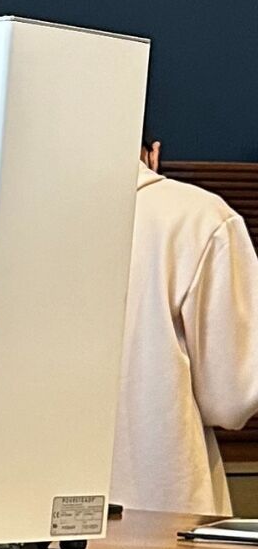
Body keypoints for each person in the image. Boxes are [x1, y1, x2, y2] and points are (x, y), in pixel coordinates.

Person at [111, 138, 258, 515]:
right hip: (162, 506)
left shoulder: (5, 219)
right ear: (153, 153)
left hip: (17, 516)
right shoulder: (200, 219)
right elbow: (231, 401)